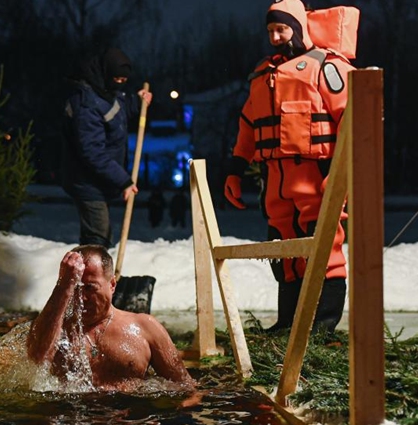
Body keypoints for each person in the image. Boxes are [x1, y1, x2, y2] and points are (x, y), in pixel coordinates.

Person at [224, 0, 356, 333]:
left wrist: (341, 178)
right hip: (275, 181)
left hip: (316, 176)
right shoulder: (262, 74)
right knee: (282, 250)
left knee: (324, 246)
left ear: (298, 28)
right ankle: (289, 322)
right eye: (270, 31)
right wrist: (235, 170)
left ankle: (322, 326)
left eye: (282, 29)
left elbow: (353, 120)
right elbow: (248, 126)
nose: (276, 37)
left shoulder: (327, 67)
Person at [26, 244, 194, 391]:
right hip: (74, 423)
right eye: (75, 289)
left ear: (112, 284)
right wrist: (63, 286)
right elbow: (36, 359)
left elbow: (185, 386)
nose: (81, 298)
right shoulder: (56, 331)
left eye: (90, 288)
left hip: (128, 422)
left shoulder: (145, 327)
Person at [61, 47, 152, 248]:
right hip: (86, 181)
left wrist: (138, 102)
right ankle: (91, 278)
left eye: (124, 80)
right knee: (98, 238)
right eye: (117, 79)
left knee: (97, 238)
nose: (120, 83)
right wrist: (124, 181)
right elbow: (92, 152)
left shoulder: (106, 92)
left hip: (98, 181)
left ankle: (92, 276)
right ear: (105, 73)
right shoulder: (86, 105)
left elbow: (116, 111)